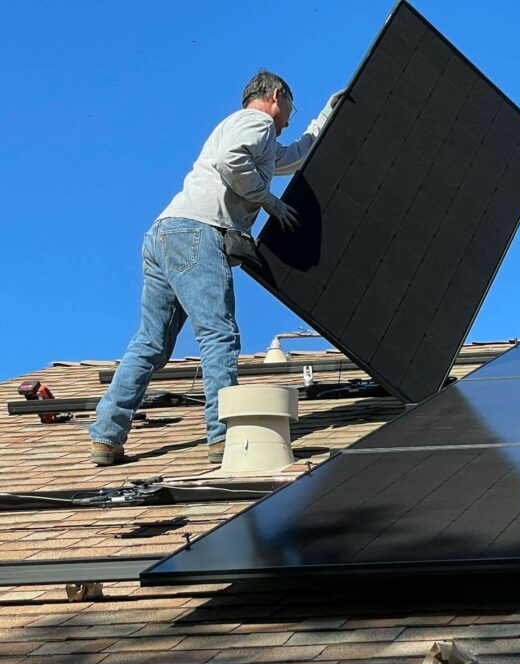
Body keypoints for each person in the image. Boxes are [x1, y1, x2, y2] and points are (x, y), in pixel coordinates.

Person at [88, 70, 344, 466]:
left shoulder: (245, 131)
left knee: (150, 344)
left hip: (163, 234)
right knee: (218, 334)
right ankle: (223, 438)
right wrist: (270, 203)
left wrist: (327, 115)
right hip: (197, 232)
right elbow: (231, 162)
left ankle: (106, 435)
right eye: (292, 106)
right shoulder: (256, 122)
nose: (292, 116)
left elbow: (293, 157)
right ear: (277, 96)